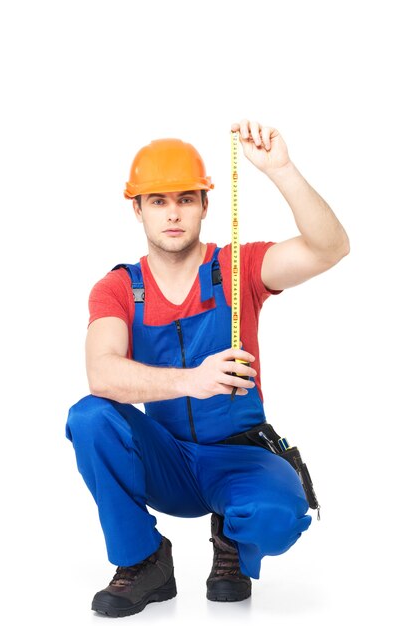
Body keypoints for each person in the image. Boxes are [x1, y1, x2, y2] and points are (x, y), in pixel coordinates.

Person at [65, 119, 350, 618]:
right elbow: (102, 374)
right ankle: (144, 561)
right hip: (168, 459)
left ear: (204, 204)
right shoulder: (117, 289)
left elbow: (330, 248)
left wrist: (282, 170)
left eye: (185, 199)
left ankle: (232, 538)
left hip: (238, 459)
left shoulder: (238, 269)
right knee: (89, 416)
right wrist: (191, 380)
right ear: (137, 209)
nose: (173, 214)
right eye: (158, 201)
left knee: (280, 514)